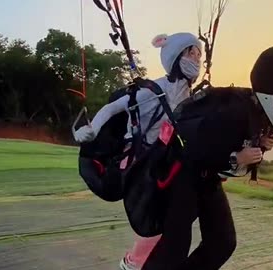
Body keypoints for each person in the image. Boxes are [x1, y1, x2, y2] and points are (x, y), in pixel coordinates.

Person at [140, 45, 273, 270]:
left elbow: (234, 145)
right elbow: (197, 150)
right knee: (174, 248)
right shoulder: (232, 111)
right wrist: (236, 158)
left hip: (207, 180)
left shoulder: (254, 109)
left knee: (222, 243)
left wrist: (260, 145)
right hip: (183, 178)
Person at [71, 32, 205, 270]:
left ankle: (144, 261)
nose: (196, 59)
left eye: (198, 54)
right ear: (176, 57)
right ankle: (133, 263)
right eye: (191, 53)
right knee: (153, 216)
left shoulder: (189, 98)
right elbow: (112, 108)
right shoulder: (153, 90)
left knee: (175, 212)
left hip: (161, 158)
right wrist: (91, 129)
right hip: (136, 159)